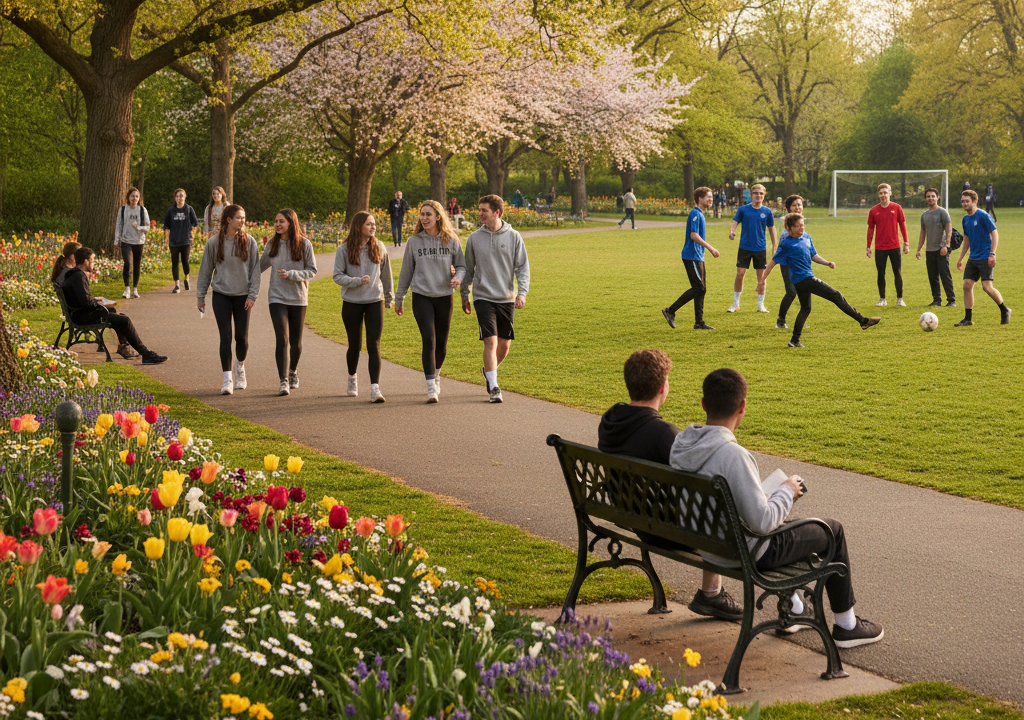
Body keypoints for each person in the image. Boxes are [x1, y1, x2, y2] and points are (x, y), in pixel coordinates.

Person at [669, 368, 885, 648]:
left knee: (793, 527)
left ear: (703, 404)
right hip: (747, 552)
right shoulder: (733, 455)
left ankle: (796, 609)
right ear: (742, 407)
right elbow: (762, 522)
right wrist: (788, 490)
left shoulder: (682, 444)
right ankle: (847, 625)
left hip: (710, 547)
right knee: (831, 530)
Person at [598, 349, 740, 622]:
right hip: (663, 527)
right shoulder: (663, 434)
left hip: (628, 514)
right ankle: (711, 595)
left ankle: (712, 595)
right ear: (663, 387)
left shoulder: (611, 420)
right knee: (718, 504)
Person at [461, 194, 530, 404]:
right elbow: (468, 270)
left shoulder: (514, 237)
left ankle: (488, 371)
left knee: (504, 345)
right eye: (479, 210)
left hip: (506, 297)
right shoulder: (474, 238)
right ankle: (494, 387)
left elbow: (522, 267)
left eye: (484, 210)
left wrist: (522, 293)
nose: (480, 214)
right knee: (489, 340)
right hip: (483, 297)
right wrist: (465, 294)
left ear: (497, 212)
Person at [773, 213, 880, 347]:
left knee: (806, 308)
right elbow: (773, 261)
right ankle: (863, 320)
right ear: (789, 228)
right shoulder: (786, 243)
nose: (801, 228)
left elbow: (814, 255)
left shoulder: (806, 237)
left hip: (804, 278)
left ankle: (794, 340)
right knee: (835, 295)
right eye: (797, 226)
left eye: (803, 225)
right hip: (804, 279)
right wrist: (761, 281)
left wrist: (827, 262)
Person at [395, 200, 466, 403]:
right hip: (422, 297)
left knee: (442, 344)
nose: (424, 218)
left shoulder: (451, 240)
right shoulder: (414, 242)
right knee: (429, 339)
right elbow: (406, 272)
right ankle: (430, 387)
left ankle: (436, 375)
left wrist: (458, 278)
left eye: (428, 214)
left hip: (444, 297)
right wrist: (399, 298)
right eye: (422, 214)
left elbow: (461, 266)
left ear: (438, 216)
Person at [196, 204, 261, 395]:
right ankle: (227, 378)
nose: (243, 221)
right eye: (239, 218)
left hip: (243, 298)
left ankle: (240, 366)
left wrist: (252, 295)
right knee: (225, 336)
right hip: (221, 295)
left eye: (244, 217)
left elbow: (255, 272)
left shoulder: (250, 242)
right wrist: (201, 296)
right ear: (229, 220)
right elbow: (205, 271)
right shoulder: (214, 243)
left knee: (241, 337)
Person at [62, 247, 167, 364]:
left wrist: (97, 301)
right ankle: (146, 354)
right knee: (125, 320)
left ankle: (125, 346)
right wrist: (100, 304)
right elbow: (85, 303)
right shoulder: (79, 276)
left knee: (114, 312)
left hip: (79, 314)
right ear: (85, 261)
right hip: (83, 317)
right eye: (92, 260)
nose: (93, 263)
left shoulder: (74, 275)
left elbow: (81, 299)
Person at [333, 211, 393, 403]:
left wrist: (390, 297)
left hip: (375, 300)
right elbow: (337, 276)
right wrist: (357, 281)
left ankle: (375, 388)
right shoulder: (344, 249)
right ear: (359, 227)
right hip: (352, 303)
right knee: (355, 345)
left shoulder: (379, 246)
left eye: (374, 224)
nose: (373, 227)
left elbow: (386, 274)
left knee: (373, 345)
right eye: (369, 224)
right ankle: (352, 377)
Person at [260, 208, 317, 397]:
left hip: (298, 298)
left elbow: (312, 270)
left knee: (296, 343)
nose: (277, 224)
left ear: (291, 223)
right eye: (275, 221)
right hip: (276, 297)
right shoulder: (272, 245)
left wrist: (292, 275)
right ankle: (283, 380)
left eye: (281, 221)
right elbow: (258, 267)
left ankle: (293, 371)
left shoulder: (304, 244)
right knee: (282, 339)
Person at [662, 187, 719, 330]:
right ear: (700, 199)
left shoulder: (700, 214)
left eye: (711, 197)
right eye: (708, 197)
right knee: (698, 287)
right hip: (691, 256)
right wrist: (710, 248)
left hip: (698, 256)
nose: (711, 200)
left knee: (702, 289)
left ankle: (699, 322)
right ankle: (670, 310)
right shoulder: (695, 213)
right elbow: (694, 235)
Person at [955, 190, 1010, 326]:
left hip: (986, 256)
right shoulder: (965, 219)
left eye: (967, 201)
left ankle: (1004, 309)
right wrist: (961, 258)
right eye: (962, 201)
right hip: (973, 258)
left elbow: (995, 234)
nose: (964, 203)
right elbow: (966, 240)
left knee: (986, 286)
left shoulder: (983, 216)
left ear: (975, 201)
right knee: (967, 285)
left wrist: (992, 254)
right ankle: (968, 319)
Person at [727, 183, 776, 313]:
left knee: (761, 278)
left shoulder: (767, 212)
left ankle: (761, 305)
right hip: (745, 247)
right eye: (755, 193)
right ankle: (736, 303)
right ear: (751, 195)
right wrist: (732, 231)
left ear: (764, 195)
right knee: (740, 274)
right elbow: (735, 222)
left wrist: (774, 245)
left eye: (761, 193)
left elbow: (772, 229)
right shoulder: (743, 210)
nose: (758, 195)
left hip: (760, 249)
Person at [763, 194, 804, 329]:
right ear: (788, 208)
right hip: (787, 263)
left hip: (799, 263)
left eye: (799, 204)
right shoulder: (785, 222)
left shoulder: (800, 220)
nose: (798, 207)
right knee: (792, 292)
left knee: (803, 292)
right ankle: (780, 321)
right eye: (795, 205)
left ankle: (800, 322)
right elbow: (782, 243)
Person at [866, 183, 909, 307]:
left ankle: (900, 299)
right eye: (881, 193)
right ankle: (882, 299)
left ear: (890, 193)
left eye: (885, 192)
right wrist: (868, 247)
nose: (883, 195)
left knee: (897, 272)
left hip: (894, 246)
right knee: (881, 273)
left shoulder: (897, 208)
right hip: (880, 248)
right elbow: (870, 229)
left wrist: (906, 243)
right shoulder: (874, 210)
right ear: (878, 194)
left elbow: (902, 225)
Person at [916, 188, 955, 308]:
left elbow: (948, 228)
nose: (931, 198)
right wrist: (919, 249)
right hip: (930, 250)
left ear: (937, 197)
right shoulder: (924, 215)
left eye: (933, 196)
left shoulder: (942, 212)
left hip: (941, 249)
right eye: (928, 196)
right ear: (925, 199)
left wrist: (946, 245)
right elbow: (923, 232)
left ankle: (951, 300)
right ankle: (936, 300)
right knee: (932, 276)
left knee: (945, 275)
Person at [114, 187, 149, 300]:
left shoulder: (142, 210)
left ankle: (135, 289)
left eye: (136, 196)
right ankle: (127, 289)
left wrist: (139, 227)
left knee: (136, 265)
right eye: (132, 196)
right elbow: (118, 225)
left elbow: (148, 227)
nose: (134, 198)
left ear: (139, 198)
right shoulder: (123, 210)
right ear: (128, 197)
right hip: (126, 241)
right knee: (127, 264)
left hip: (139, 241)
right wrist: (116, 240)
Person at [163, 188, 198, 294]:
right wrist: (166, 238)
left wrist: (192, 233)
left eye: (181, 196)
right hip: (174, 241)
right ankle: (177, 284)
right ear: (175, 198)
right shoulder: (171, 210)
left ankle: (186, 278)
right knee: (175, 262)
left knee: (185, 261)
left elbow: (195, 223)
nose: (179, 198)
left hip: (186, 240)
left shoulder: (189, 209)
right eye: (177, 196)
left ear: (185, 197)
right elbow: (166, 225)